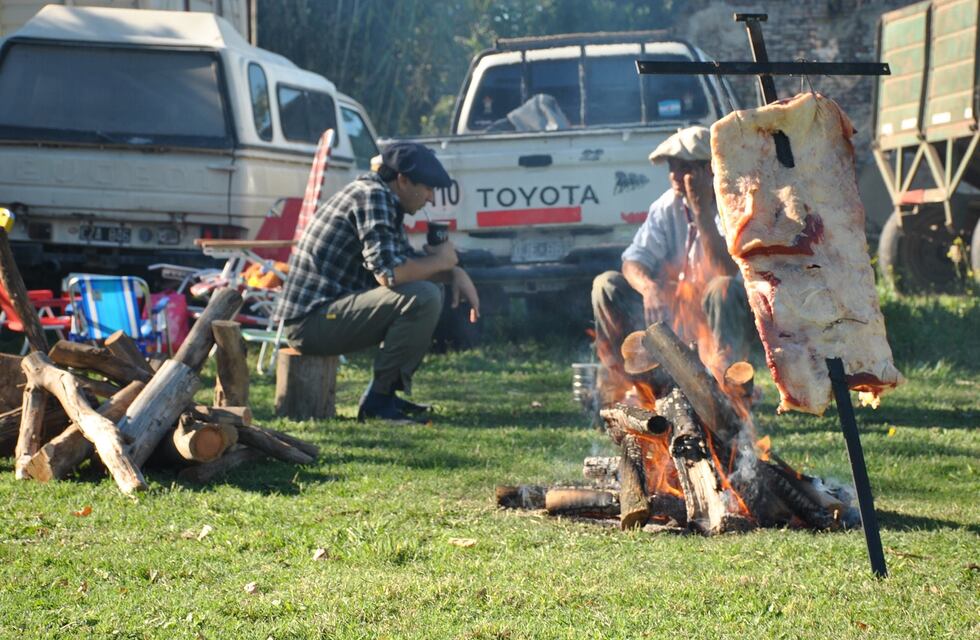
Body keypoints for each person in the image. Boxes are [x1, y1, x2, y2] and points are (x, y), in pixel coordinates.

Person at [275, 141, 480, 423]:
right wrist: (444, 262)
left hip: (323, 313)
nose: (431, 199)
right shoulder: (373, 197)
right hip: (309, 323)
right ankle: (378, 404)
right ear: (404, 180)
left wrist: (454, 273)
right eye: (428, 188)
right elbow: (390, 274)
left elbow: (405, 263)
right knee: (423, 297)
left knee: (428, 291)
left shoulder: (382, 197)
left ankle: (385, 397)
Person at [591, 126, 754, 402]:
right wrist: (649, 288)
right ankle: (621, 388)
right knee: (605, 285)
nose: (674, 176)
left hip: (722, 314)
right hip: (673, 310)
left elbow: (724, 270)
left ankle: (730, 395)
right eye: (672, 167)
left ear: (709, 170)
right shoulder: (667, 205)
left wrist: (701, 210)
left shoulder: (736, 205)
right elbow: (632, 261)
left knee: (721, 288)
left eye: (684, 168)